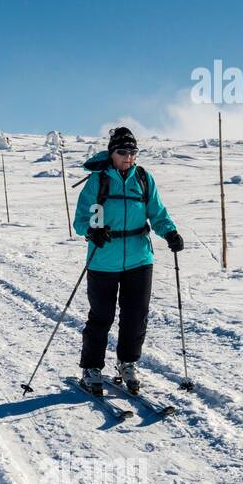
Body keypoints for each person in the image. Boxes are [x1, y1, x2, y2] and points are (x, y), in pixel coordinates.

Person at [73, 126, 183, 396]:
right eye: (123, 152)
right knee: (101, 317)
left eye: (133, 152)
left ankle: (127, 363)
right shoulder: (97, 181)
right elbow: (80, 220)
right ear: (112, 153)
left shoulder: (144, 178)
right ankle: (91, 368)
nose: (129, 157)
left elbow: (156, 212)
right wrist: (92, 231)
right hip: (103, 260)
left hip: (139, 258)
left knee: (136, 316)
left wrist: (169, 231)